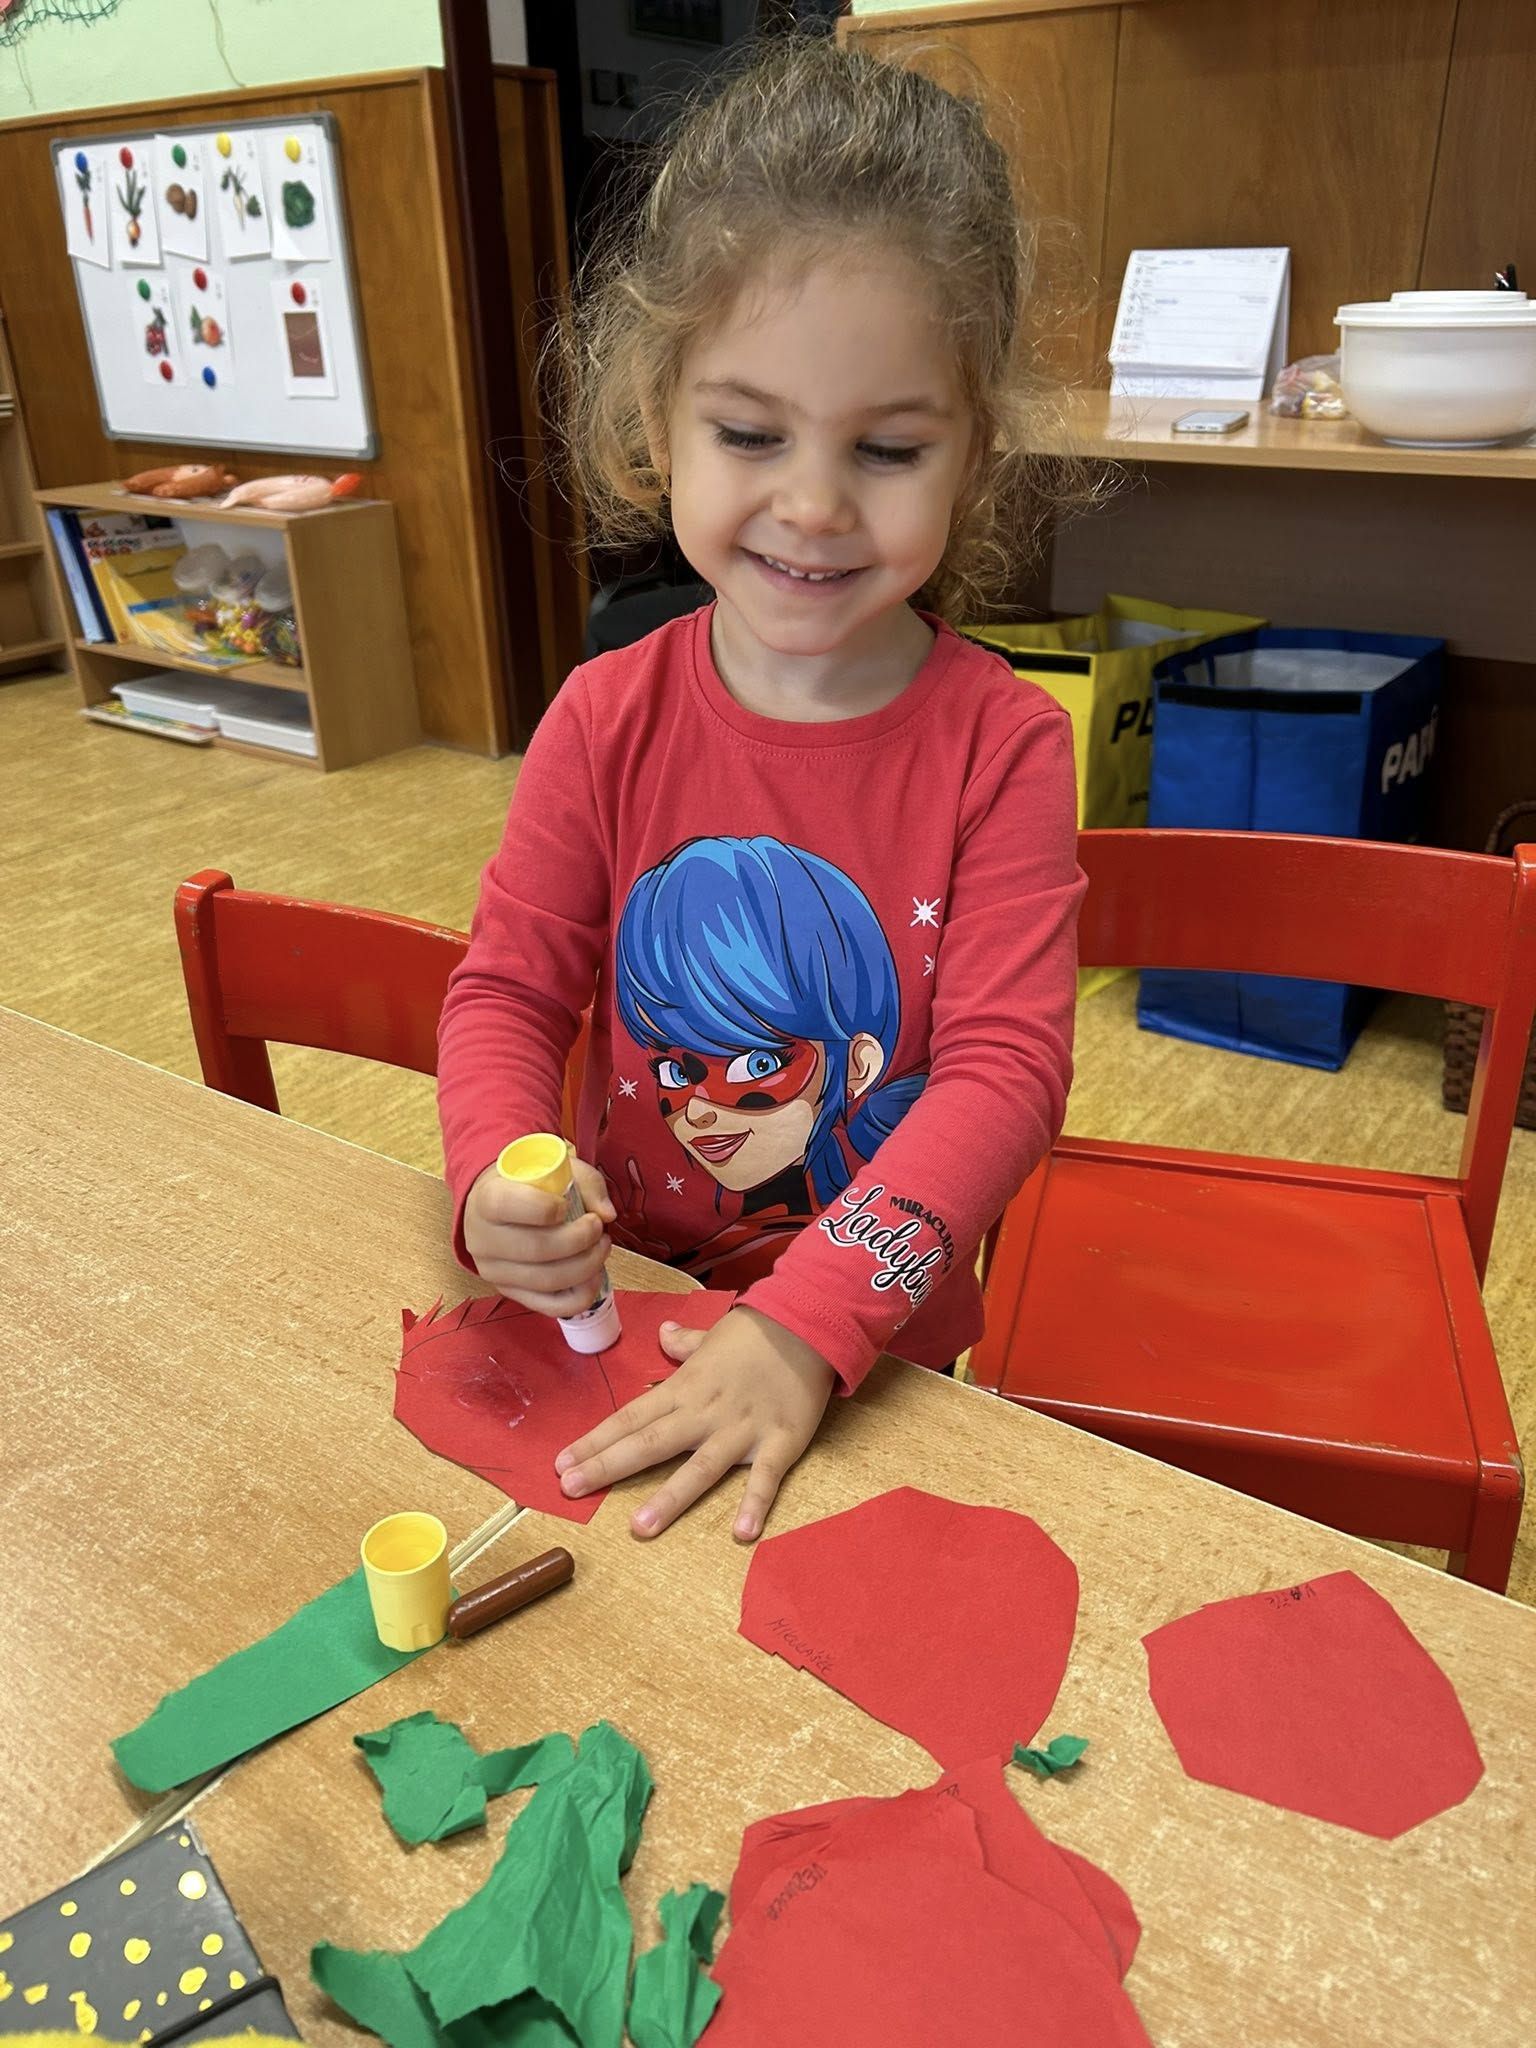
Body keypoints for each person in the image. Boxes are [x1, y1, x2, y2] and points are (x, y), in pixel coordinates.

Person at [437, 32, 1086, 1544]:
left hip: (870, 1366)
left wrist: (806, 1324)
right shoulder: (604, 717)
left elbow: (1003, 1075)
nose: (811, 502)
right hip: (619, 1315)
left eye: (889, 448)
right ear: (655, 421)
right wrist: (490, 1179)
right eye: (748, 433)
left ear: (973, 455)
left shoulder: (1005, 745)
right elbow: (508, 993)